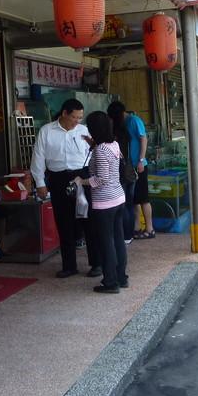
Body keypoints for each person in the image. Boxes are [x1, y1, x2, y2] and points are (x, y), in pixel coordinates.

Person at [31, 99, 97, 277]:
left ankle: (96, 263)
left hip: (81, 177)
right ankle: (69, 266)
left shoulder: (83, 130)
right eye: (74, 117)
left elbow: (93, 156)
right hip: (58, 178)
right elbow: (38, 157)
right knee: (63, 221)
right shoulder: (47, 131)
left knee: (88, 221)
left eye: (80, 117)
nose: (77, 121)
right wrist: (40, 183)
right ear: (64, 113)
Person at [77, 112, 127, 294]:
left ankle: (110, 282)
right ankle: (121, 278)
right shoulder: (114, 144)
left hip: (105, 202)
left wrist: (81, 181)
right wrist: (93, 144)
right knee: (118, 240)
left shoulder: (100, 150)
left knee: (106, 243)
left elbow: (101, 179)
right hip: (118, 198)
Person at [106, 102, 154, 240]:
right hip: (129, 167)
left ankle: (150, 229)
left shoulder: (134, 120)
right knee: (134, 200)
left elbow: (143, 138)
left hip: (139, 165)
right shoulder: (122, 123)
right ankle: (136, 227)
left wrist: (141, 160)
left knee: (143, 198)